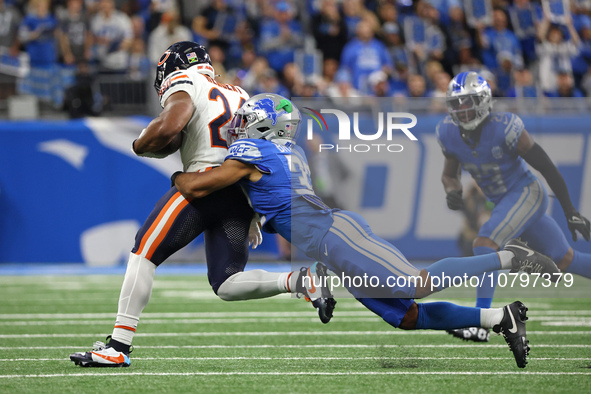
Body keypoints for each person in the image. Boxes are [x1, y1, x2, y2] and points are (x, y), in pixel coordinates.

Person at [172, 93, 563, 369]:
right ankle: (499, 318)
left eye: (246, 121)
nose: (238, 129)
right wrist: (257, 219)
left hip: (337, 237)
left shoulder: (254, 154)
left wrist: (177, 166)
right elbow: (277, 193)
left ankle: (511, 257)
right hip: (333, 242)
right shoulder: (286, 153)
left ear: (266, 127)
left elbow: (194, 186)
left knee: (418, 284)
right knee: (407, 317)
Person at [69, 42, 334, 368]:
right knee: (226, 282)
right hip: (238, 193)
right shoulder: (240, 92)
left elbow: (170, 126)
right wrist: (255, 212)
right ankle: (300, 281)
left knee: (144, 253)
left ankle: (119, 345)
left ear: (173, 67)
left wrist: (140, 142)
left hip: (200, 185)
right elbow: (263, 156)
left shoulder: (187, 83)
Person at [437, 71, 591, 342]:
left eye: (468, 101)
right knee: (565, 259)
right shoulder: (448, 133)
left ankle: (480, 321)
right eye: (457, 103)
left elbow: (546, 166)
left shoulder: (505, 126)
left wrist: (571, 211)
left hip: (526, 193)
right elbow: (450, 174)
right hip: (505, 202)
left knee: (484, 242)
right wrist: (452, 190)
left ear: (483, 100)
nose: (462, 109)